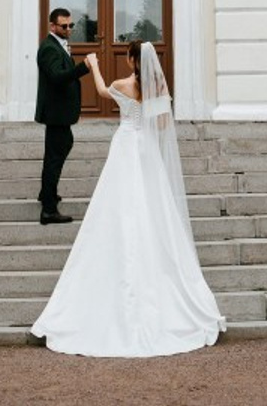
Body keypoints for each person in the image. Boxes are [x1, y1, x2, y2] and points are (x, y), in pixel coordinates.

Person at [32, 40, 225, 357]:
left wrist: (93, 67)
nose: (125, 60)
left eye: (127, 55)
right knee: (150, 203)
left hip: (125, 144)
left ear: (134, 59)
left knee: (119, 201)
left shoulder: (123, 84)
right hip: (147, 147)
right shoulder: (157, 87)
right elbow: (162, 124)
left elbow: (103, 93)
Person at [35, 7, 90, 225]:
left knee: (60, 149)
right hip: (56, 114)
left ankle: (47, 194)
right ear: (53, 26)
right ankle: (48, 210)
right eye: (64, 26)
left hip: (60, 114)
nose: (69, 29)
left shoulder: (59, 45)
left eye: (71, 25)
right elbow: (57, 77)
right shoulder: (49, 48)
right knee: (54, 158)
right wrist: (83, 67)